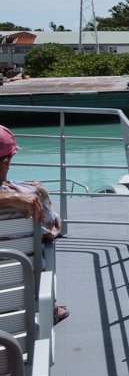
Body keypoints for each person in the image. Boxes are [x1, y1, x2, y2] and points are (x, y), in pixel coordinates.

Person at [0, 125, 68, 324]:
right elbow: (52, 229)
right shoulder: (33, 193)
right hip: (23, 285)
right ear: (9, 159)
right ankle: (51, 307)